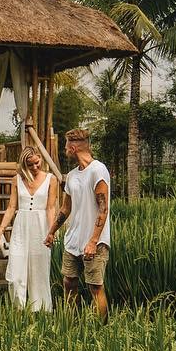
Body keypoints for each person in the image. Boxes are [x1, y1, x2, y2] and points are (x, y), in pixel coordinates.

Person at [44, 128, 110, 321]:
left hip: (94, 243)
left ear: (73, 148)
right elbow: (65, 208)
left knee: (95, 286)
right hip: (72, 241)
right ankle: (72, 324)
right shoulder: (72, 175)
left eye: (66, 147)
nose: (65, 150)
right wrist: (52, 231)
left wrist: (93, 241)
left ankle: (102, 328)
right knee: (69, 282)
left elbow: (103, 209)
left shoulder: (98, 170)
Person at [0, 146, 59, 311]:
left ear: (40, 158)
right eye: (30, 164)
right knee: (15, 271)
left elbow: (50, 208)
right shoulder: (17, 179)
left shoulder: (51, 179)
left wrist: (51, 232)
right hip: (21, 228)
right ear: (24, 164)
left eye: (37, 163)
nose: (35, 167)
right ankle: (18, 310)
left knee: (39, 271)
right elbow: (11, 207)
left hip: (41, 228)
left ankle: (41, 310)